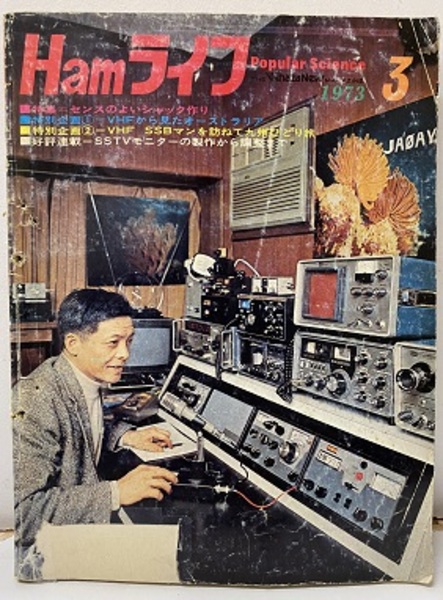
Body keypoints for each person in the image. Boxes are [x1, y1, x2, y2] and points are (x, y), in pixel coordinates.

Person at [12, 288, 178, 580]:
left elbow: (84, 426)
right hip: (45, 553)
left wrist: (124, 436)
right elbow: (24, 515)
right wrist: (116, 492)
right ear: (73, 343)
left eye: (129, 341)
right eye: (113, 342)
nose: (125, 354)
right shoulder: (36, 401)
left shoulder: (82, 376)